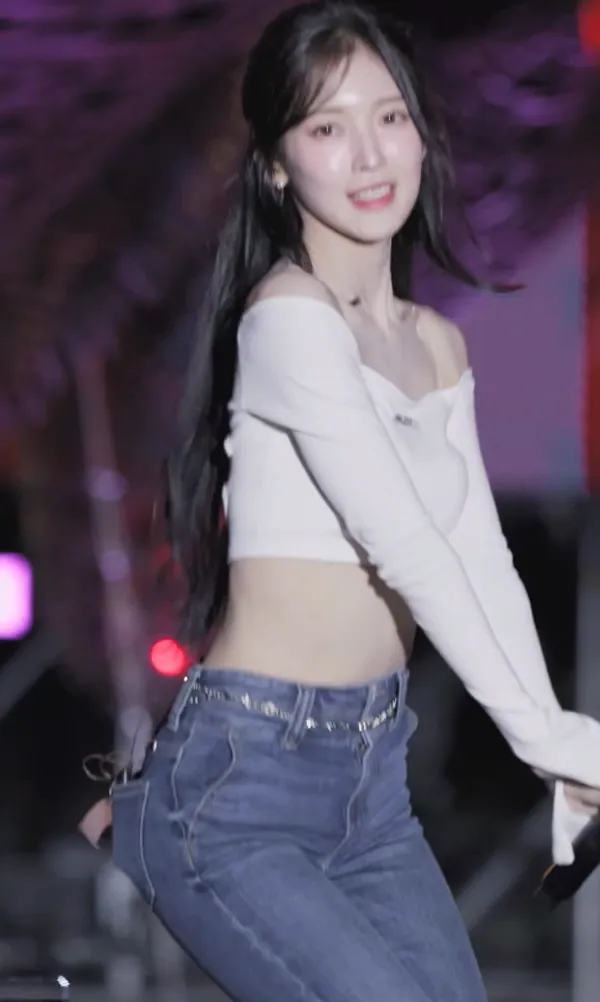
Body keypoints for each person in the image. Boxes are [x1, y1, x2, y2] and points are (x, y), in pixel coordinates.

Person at [109, 3, 600, 1000]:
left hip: (372, 789)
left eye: (389, 117)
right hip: (237, 790)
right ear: (277, 164)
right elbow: (407, 547)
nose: (369, 154)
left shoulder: (436, 344)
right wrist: (554, 740)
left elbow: (479, 560)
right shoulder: (287, 320)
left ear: (421, 130)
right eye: (327, 127)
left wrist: (562, 755)